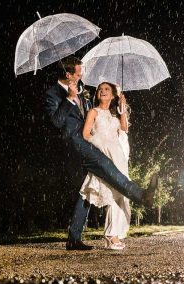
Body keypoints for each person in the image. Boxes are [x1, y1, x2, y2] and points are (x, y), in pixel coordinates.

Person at [44, 56, 158, 251]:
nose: (81, 78)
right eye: (78, 74)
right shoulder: (53, 94)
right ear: (68, 74)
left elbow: (93, 115)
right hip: (76, 145)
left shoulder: (82, 92)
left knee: (87, 191)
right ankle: (141, 196)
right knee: (107, 167)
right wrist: (69, 99)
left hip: (87, 143)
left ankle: (73, 238)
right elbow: (56, 121)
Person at [80, 82, 131, 250]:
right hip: (104, 155)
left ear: (113, 96)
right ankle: (111, 235)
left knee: (121, 195)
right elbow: (86, 134)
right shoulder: (93, 112)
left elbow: (124, 128)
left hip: (119, 157)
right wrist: (101, 145)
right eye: (100, 89)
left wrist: (122, 109)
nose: (102, 91)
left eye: (107, 89)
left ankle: (113, 234)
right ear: (97, 95)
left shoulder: (114, 115)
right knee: (112, 193)